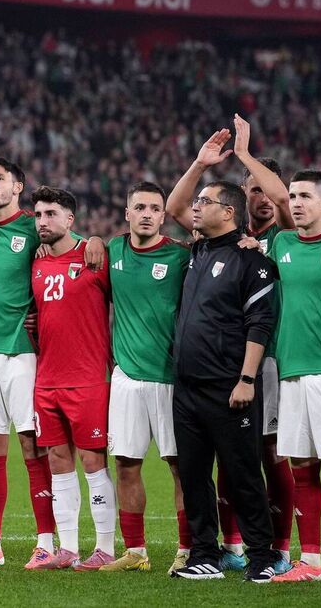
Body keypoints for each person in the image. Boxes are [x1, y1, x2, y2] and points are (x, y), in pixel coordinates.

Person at [168, 118, 295, 571]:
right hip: (192, 382)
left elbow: (260, 322)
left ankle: (269, 554)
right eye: (199, 202)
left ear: (228, 211)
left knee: (252, 468)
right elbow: (175, 206)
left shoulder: (268, 248)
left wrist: (243, 154)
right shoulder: (202, 247)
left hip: (248, 373)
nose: (197, 207)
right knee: (197, 473)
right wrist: (201, 164)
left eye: (206, 201)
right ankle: (211, 553)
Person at [0, 158, 57, 568]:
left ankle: (47, 543)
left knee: (33, 445)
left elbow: (66, 244)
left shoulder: (34, 228)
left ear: (18, 187)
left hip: (22, 351)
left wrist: (91, 241)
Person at [100, 182, 192, 574]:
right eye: (140, 207)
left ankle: (187, 549)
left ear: (163, 216)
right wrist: (92, 240)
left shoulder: (180, 256)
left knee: (180, 467)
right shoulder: (112, 251)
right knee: (126, 464)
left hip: (171, 379)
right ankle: (136, 551)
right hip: (126, 377)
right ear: (127, 213)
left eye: (155, 208)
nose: (147, 214)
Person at [26, 186, 116, 571]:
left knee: (93, 461)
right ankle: (68, 548)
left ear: (70, 219)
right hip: (47, 379)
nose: (42, 222)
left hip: (88, 379)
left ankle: (106, 548)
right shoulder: (36, 262)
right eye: (38, 215)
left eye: (51, 214)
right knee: (58, 460)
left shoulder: (95, 258)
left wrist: (96, 239)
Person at [269, 171, 321, 583]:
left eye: (305, 196)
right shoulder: (282, 244)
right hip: (292, 373)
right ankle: (310, 563)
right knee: (303, 467)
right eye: (292, 196)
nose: (295, 202)